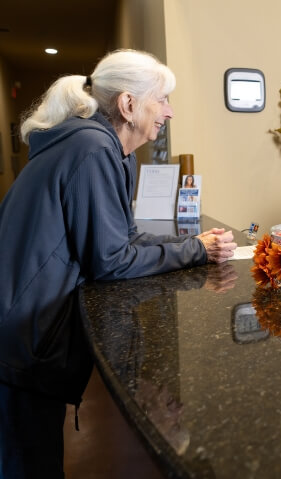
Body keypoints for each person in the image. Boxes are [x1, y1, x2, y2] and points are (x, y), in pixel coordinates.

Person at [0, 49, 237, 478]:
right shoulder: (93, 149)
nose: (169, 111)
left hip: (22, 332)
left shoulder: (104, 148)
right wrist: (196, 252)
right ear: (128, 105)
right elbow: (110, 261)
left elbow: (121, 236)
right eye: (161, 99)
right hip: (20, 343)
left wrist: (193, 242)